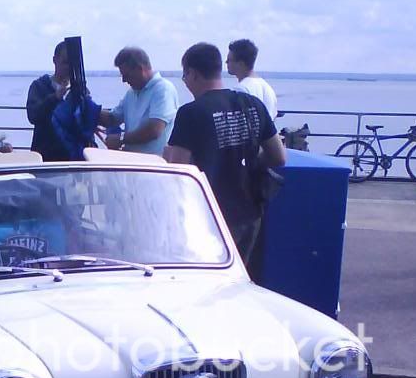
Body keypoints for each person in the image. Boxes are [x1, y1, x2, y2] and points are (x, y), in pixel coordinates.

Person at [164, 41, 286, 271]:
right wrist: (252, 161)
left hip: (210, 215)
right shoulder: (252, 104)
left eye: (184, 75)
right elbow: (279, 157)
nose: (185, 81)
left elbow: (179, 170)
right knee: (241, 276)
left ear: (193, 73)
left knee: (208, 278)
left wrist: (168, 154)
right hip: (250, 211)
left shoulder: (191, 113)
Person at [102, 47, 178, 155]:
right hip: (132, 161)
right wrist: (89, 109)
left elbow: (154, 130)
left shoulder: (163, 89)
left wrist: (121, 139)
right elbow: (113, 118)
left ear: (140, 69)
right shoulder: (131, 93)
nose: (123, 80)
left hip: (154, 163)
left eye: (126, 75)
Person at [26, 42, 71, 161]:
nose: (68, 67)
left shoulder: (79, 90)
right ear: (55, 60)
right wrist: (54, 98)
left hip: (72, 157)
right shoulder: (39, 86)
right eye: (65, 62)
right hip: (46, 155)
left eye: (72, 63)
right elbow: (33, 116)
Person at [226, 39, 278, 121]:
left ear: (240, 64)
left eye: (229, 60)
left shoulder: (241, 89)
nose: (226, 62)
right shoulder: (268, 88)